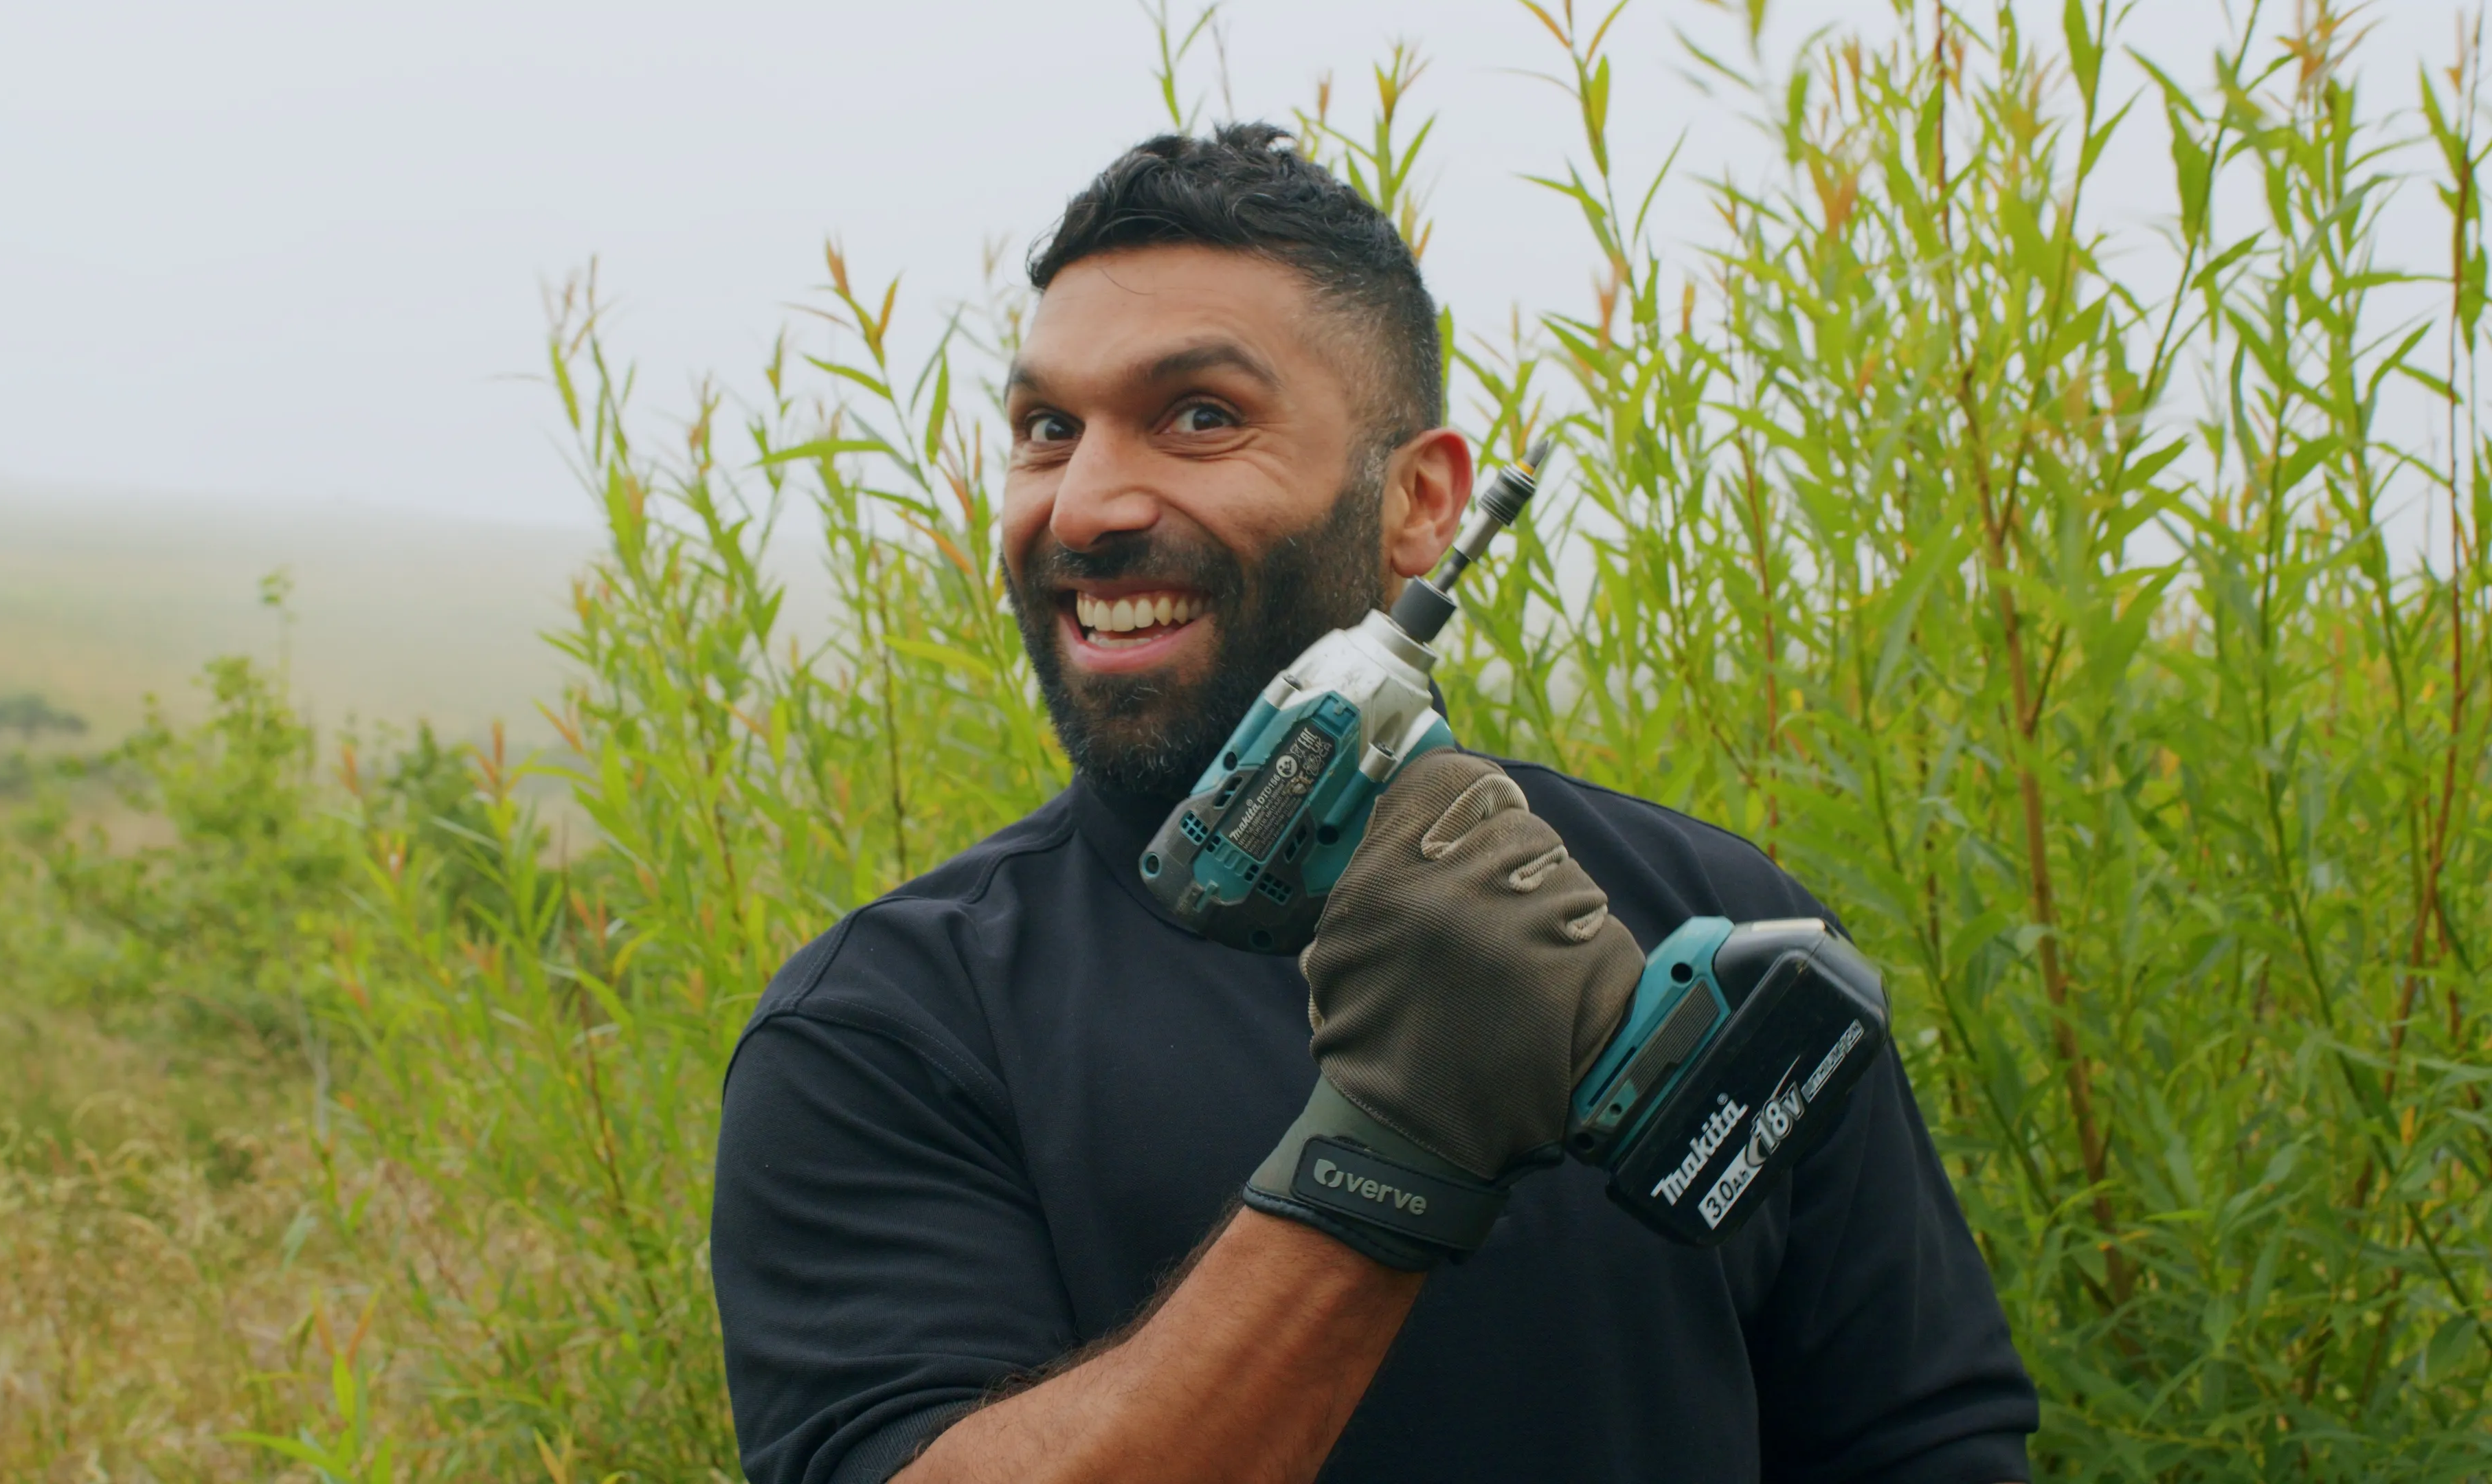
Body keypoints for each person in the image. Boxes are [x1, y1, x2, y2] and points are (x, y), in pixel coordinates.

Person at [709, 122, 2039, 1484]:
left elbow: (1926, 1439)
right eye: (1048, 430)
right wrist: (1401, 1143)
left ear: (1421, 504)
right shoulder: (887, 1031)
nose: (1087, 504)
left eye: (1200, 417)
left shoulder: (1719, 921)